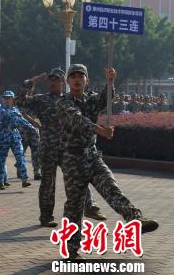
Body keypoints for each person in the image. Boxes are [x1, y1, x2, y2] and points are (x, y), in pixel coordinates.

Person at [57, 64, 158, 259]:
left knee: (111, 187)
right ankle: (71, 250)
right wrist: (99, 130)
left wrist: (111, 81)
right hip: (73, 159)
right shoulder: (64, 102)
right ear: (68, 81)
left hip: (92, 156)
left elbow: (105, 99)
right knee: (75, 205)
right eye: (74, 76)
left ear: (86, 80)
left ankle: (135, 218)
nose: (77, 79)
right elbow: (77, 120)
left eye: (81, 76)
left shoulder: (91, 99)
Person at [16, 68, 105, 228]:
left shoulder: (71, 100)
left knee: (79, 178)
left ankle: (89, 206)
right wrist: (29, 84)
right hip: (48, 148)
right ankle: (46, 216)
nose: (52, 82)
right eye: (50, 80)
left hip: (68, 148)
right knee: (48, 184)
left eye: (56, 80)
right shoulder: (41, 100)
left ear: (63, 83)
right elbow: (20, 101)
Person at [0, 91, 35, 188]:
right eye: (5, 98)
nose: (7, 100)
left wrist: (33, 128)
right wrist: (17, 116)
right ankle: (1, 181)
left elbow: (22, 121)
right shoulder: (1, 109)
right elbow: (6, 116)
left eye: (9, 98)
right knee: (2, 159)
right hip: (4, 136)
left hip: (15, 136)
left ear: (12, 100)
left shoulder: (16, 110)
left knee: (20, 157)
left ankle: (24, 179)